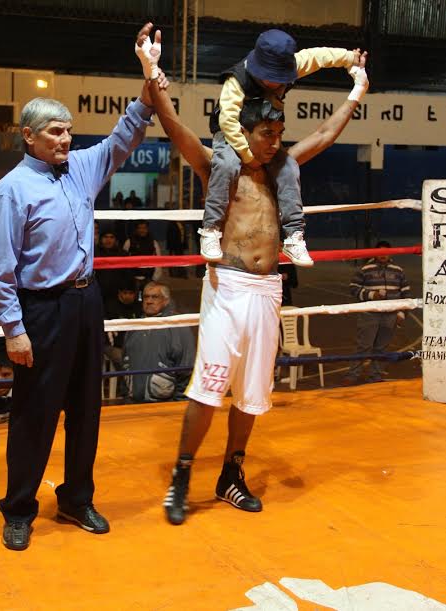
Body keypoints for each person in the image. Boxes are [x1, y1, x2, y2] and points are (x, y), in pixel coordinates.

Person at [135, 23, 368, 525]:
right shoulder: (220, 166)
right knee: (207, 388)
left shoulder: (283, 167)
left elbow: (325, 134)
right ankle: (182, 474)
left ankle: (230, 474)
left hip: (268, 290)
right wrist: (150, 70)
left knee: (252, 395)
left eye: (279, 135)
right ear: (247, 131)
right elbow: (173, 125)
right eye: (268, 135)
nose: (275, 143)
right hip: (227, 287)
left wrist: (356, 91)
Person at [0, 72, 160, 551]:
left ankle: (77, 499)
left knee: (86, 408)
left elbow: (121, 140)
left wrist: (146, 94)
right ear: (28, 136)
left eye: (68, 131)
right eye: (55, 132)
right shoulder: (12, 189)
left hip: (86, 301)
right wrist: (13, 329)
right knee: (35, 414)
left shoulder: (80, 166)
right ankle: (19, 508)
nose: (66, 139)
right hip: (42, 309)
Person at [197, 30, 361, 266]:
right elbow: (228, 122)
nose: (276, 83)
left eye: (280, 77)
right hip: (231, 133)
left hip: (262, 128)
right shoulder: (236, 81)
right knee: (226, 165)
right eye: (270, 77)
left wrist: (349, 57)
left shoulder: (293, 65)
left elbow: (319, 56)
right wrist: (248, 156)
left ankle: (294, 236)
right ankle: (211, 229)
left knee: (289, 168)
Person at [343, 240, 411, 384]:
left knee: (382, 348)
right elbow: (353, 288)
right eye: (380, 252)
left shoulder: (398, 271)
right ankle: (352, 375)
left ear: (390, 253)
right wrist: (371, 295)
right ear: (375, 253)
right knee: (364, 346)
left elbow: (406, 293)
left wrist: (402, 313)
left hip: (391, 315)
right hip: (369, 314)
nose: (383, 255)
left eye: (386, 252)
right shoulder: (365, 269)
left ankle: (376, 376)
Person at [123, 281, 195, 403]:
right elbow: (125, 362)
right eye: (146, 297)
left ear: (166, 301)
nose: (149, 301)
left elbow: (186, 368)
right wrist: (126, 397)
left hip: (166, 404)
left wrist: (178, 403)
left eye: (155, 297)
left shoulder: (178, 326)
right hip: (134, 402)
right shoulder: (134, 327)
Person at [123, 220, 162, 295]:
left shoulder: (153, 243)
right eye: (140, 228)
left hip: (149, 278)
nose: (142, 230)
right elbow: (124, 261)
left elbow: (158, 261)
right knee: (135, 299)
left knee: (148, 298)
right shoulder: (129, 242)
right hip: (133, 279)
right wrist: (128, 277)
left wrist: (155, 278)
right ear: (136, 229)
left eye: (144, 228)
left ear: (147, 229)